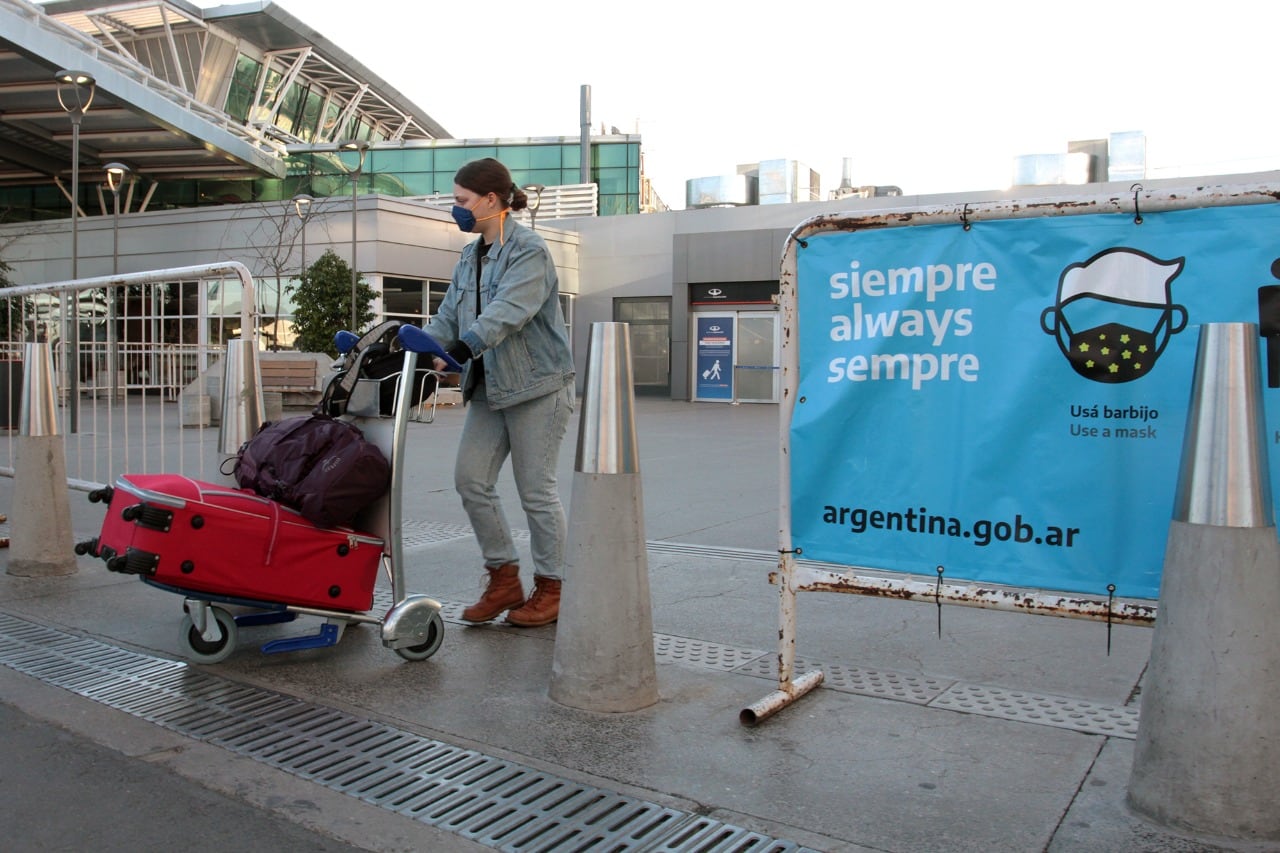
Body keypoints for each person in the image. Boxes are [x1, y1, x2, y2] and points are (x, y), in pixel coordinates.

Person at [422, 158, 576, 627]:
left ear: (491, 200)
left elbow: (512, 309)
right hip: (490, 388)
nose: (457, 210)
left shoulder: (529, 250)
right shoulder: (469, 258)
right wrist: (419, 346)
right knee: (471, 479)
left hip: (536, 386)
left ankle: (553, 587)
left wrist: (465, 346)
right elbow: (450, 314)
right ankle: (504, 577)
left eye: (462, 201)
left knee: (536, 491)